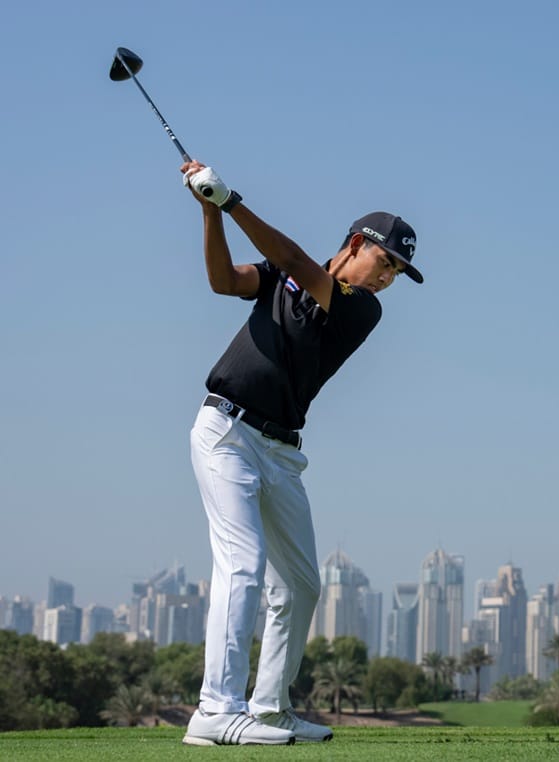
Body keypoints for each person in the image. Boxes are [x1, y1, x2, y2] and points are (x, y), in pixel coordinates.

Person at [178, 160, 423, 746]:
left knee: (303, 584)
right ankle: (215, 710)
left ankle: (269, 709)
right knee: (243, 564)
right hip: (226, 433)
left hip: (281, 451)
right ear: (357, 244)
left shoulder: (363, 308)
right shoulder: (284, 274)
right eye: (386, 262)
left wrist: (230, 199)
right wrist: (211, 211)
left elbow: (296, 265)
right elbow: (223, 281)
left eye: (396, 271)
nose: (388, 277)